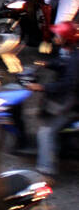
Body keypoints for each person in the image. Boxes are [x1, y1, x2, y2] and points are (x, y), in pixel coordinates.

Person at [33, 22, 79, 179]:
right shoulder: (66, 52)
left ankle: (46, 170)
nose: (55, 37)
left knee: (45, 133)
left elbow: (67, 84)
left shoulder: (75, 59)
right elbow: (60, 64)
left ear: (66, 38)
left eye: (59, 35)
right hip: (63, 97)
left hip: (69, 101)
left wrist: (42, 87)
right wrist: (45, 64)